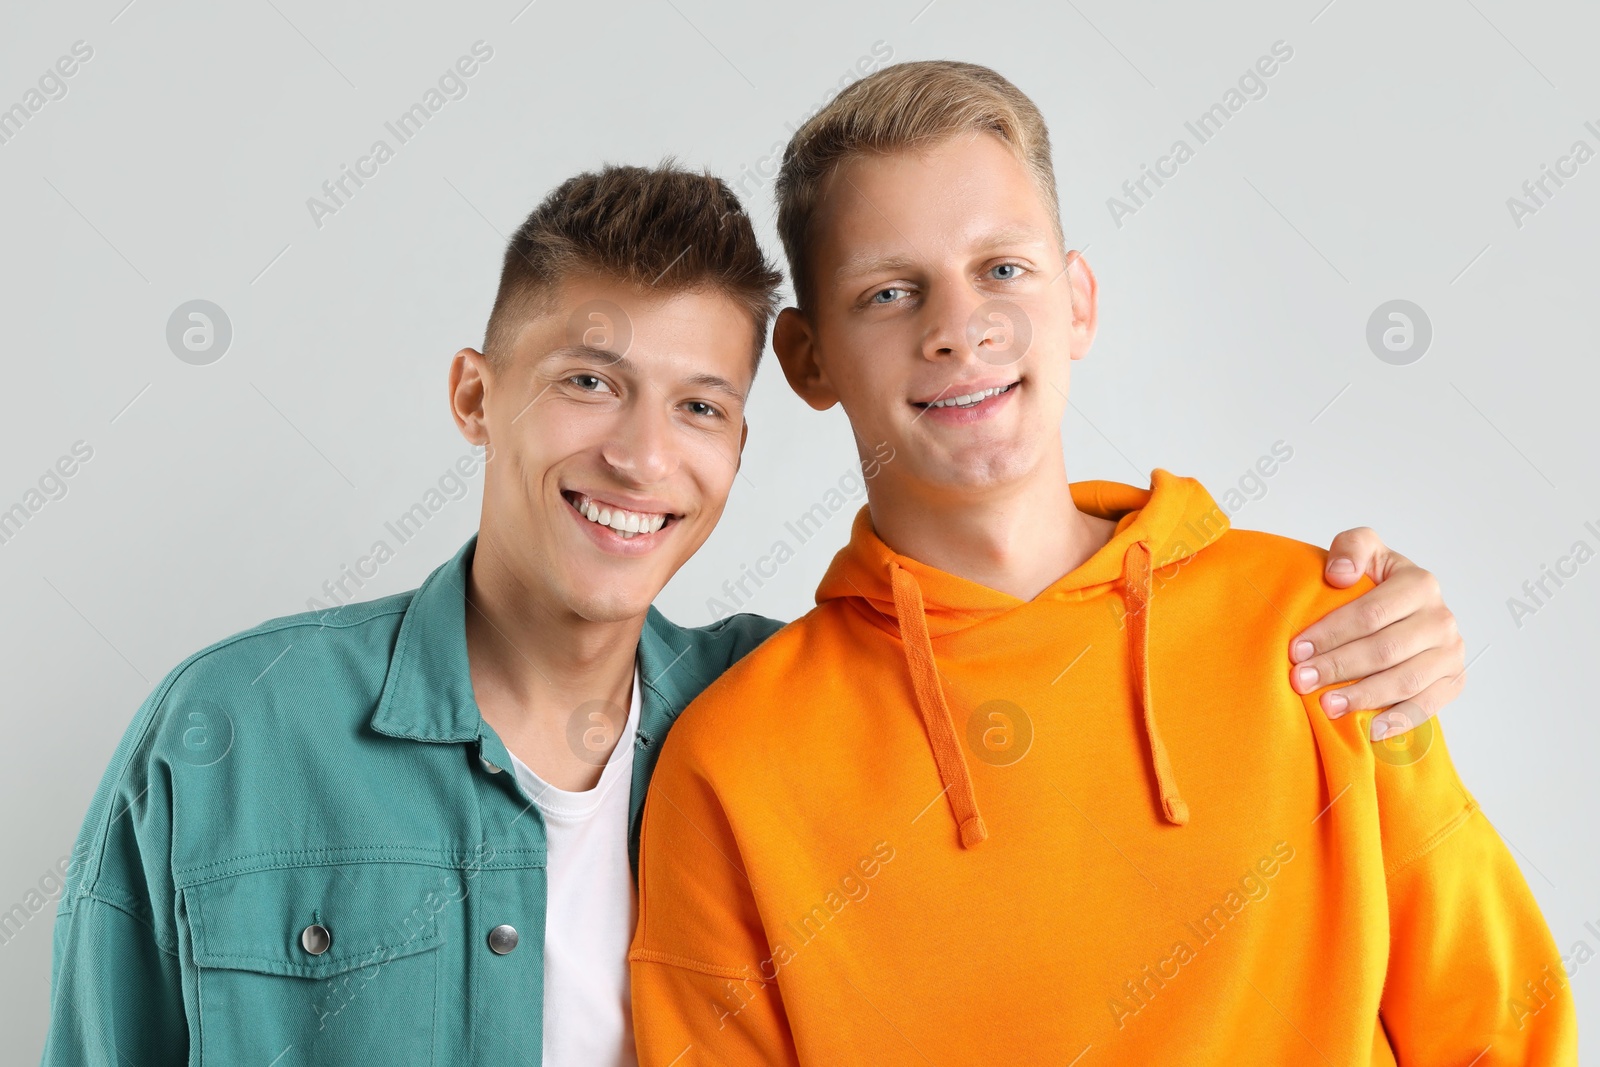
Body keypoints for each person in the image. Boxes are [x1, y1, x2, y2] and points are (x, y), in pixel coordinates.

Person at [43, 164, 1465, 1065]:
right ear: (477, 393)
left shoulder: (765, 722)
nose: (641, 456)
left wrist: (1359, 612)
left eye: (700, 406)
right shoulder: (226, 734)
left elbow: (1036, 697)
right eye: (589, 380)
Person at [626, 62, 1575, 1064]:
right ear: (807, 359)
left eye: (1002, 268)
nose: (958, 329)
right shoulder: (732, 762)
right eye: (890, 291)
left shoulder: (1322, 631)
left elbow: (1500, 1030)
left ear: (1077, 300)